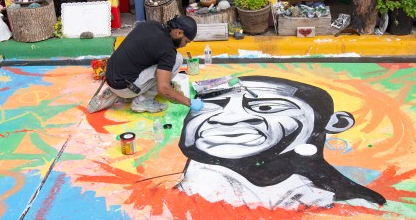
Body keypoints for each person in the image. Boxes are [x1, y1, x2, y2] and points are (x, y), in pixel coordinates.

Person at [177, 76, 386, 209]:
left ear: (335, 123)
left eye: (266, 107)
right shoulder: (191, 185)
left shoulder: (350, 204)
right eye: (211, 106)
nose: (227, 118)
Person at [87, 16, 205, 114]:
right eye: (186, 41)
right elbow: (163, 88)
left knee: (157, 64)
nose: (185, 45)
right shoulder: (168, 51)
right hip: (124, 86)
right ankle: (142, 101)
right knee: (177, 59)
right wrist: (189, 102)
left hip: (111, 76)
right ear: (179, 32)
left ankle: (115, 93)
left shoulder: (151, 24)